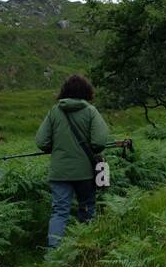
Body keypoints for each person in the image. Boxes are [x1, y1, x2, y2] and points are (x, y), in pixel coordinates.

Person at [35, 74, 110, 249]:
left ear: (64, 92)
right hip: (85, 173)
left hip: (59, 173)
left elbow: (41, 142)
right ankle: (86, 249)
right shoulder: (91, 111)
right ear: (87, 92)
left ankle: (54, 255)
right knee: (86, 208)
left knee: (59, 212)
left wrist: (55, 147)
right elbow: (99, 142)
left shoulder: (54, 111)